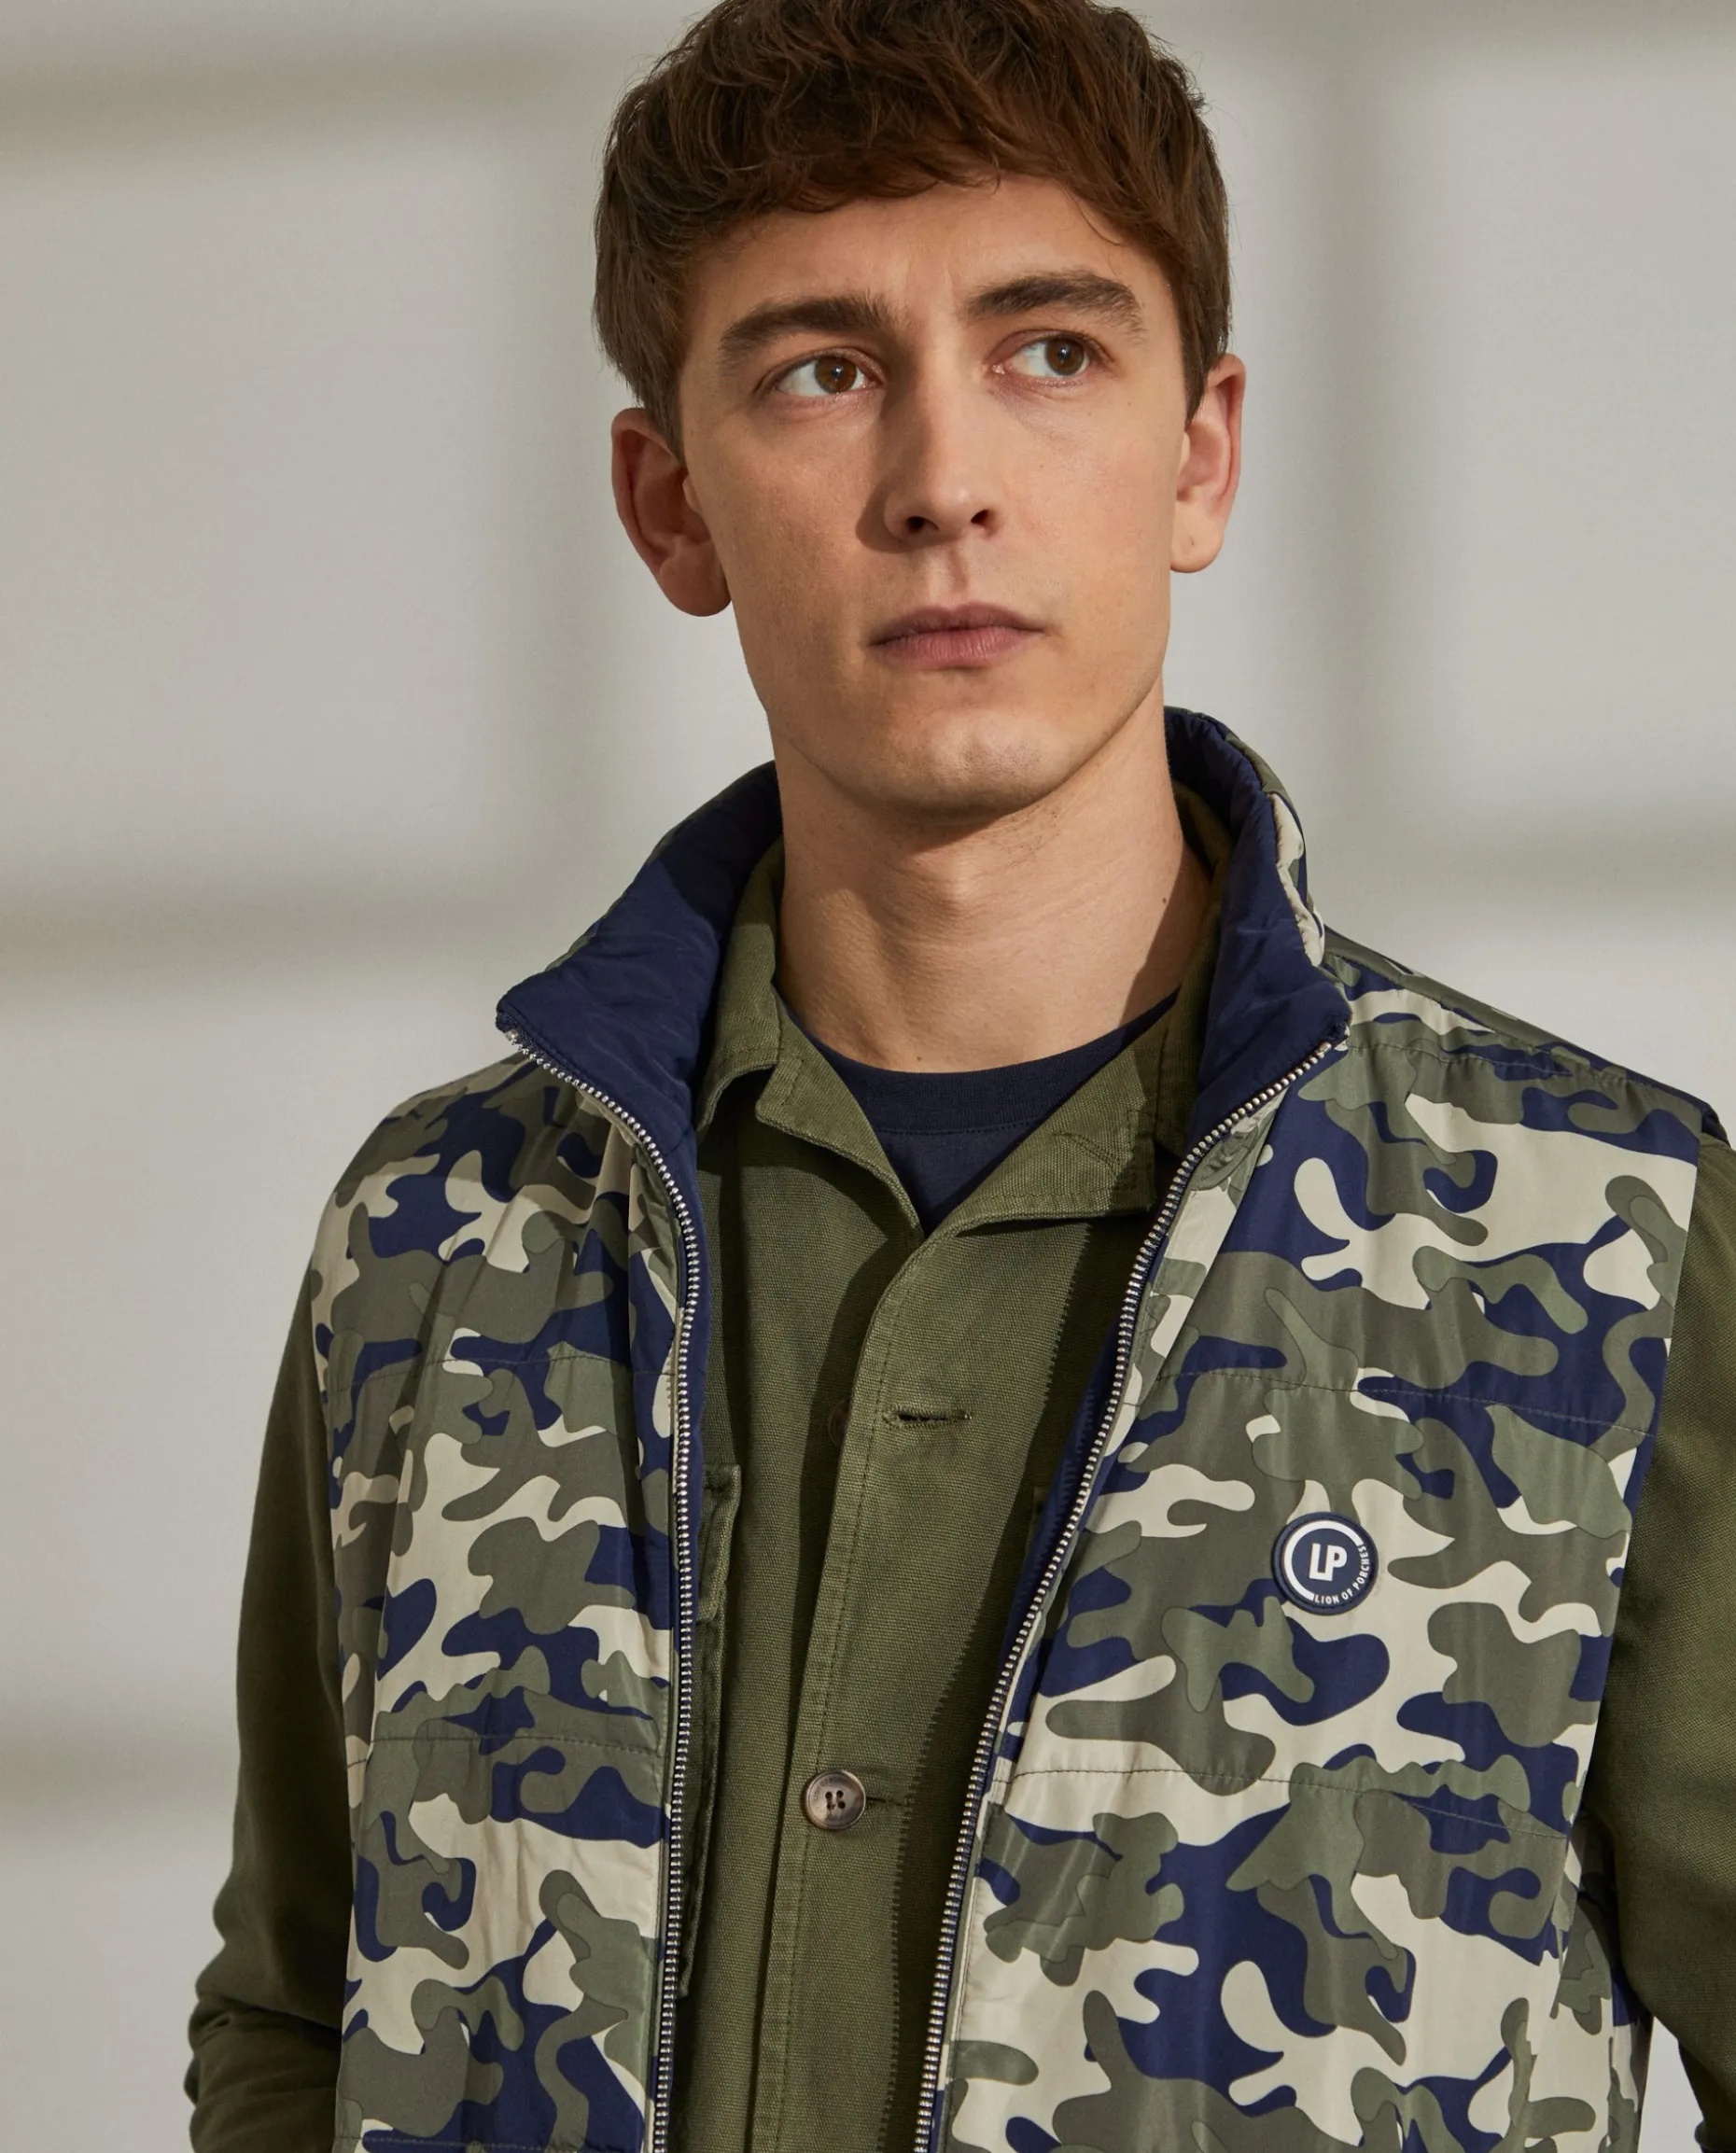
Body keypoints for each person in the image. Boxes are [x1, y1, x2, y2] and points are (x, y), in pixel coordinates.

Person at [186, 2, 1736, 2148]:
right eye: (821, 372)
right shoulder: (437, 1241)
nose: (943, 484)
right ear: (671, 502)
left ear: (1198, 455)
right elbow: (298, 2009)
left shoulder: (1605, 1239)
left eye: (1050, 351)